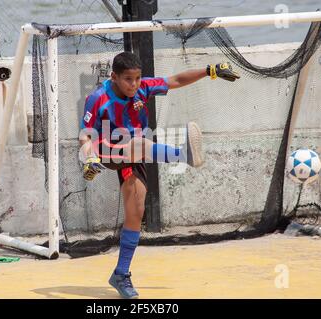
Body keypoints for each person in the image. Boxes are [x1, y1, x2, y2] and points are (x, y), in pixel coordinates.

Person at [79, 51, 240, 299]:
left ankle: (121, 274)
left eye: (137, 78)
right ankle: (182, 154)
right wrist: (89, 158)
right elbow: (85, 135)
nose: (134, 84)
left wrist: (209, 71)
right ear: (114, 77)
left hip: (134, 156)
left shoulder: (143, 87)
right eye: (128, 79)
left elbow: (175, 80)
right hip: (107, 150)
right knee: (140, 143)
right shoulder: (98, 97)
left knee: (136, 211)